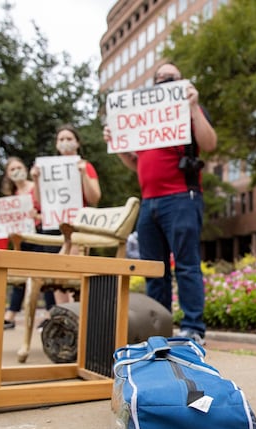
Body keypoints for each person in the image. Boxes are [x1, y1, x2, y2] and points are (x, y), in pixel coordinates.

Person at [103, 62, 217, 345]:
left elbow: (210, 143)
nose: (165, 81)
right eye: (160, 78)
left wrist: (193, 107)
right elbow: (135, 163)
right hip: (149, 203)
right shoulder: (146, 120)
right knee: (154, 269)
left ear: (182, 82)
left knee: (186, 265)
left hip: (181, 198)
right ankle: (159, 327)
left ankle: (193, 328)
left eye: (172, 78)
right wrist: (117, 144)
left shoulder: (190, 112)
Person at [31, 124, 102, 304]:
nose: (65, 142)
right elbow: (40, 202)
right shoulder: (45, 169)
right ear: (56, 145)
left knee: (72, 271)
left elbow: (94, 197)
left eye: (69, 139)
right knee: (57, 277)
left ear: (77, 143)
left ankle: (77, 315)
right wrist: (36, 180)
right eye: (61, 139)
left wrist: (83, 174)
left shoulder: (85, 166)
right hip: (53, 226)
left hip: (76, 226)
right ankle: (62, 318)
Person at [0, 156, 55, 329]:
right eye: (12, 169)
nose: (16, 171)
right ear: (8, 175)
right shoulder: (12, 197)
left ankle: (50, 313)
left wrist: (37, 216)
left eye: (19, 167)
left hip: (39, 235)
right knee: (20, 275)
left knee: (43, 274)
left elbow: (51, 212)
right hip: (22, 238)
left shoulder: (35, 188)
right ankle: (11, 314)